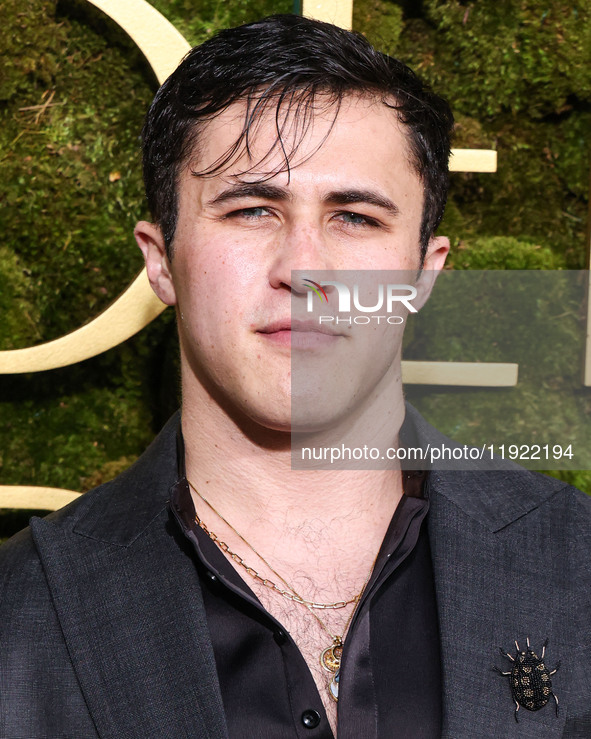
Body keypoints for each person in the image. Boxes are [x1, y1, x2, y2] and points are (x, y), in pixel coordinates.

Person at [1, 14, 589, 739]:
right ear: (160, 261)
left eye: (354, 218)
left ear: (425, 272)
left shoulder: (576, 560)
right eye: (252, 209)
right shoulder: (17, 614)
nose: (303, 268)